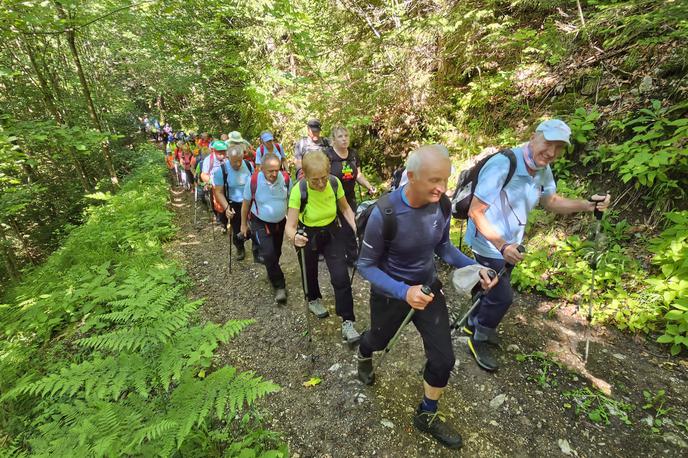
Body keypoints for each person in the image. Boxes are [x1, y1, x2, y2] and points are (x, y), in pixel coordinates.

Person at [356, 144, 497, 450]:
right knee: (378, 341)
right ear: (411, 176)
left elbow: (443, 247)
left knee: (444, 358)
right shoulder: (386, 212)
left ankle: (427, 414)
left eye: (445, 180)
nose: (441, 188)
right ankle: (363, 353)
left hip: (429, 290)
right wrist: (403, 291)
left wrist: (475, 267)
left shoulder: (442, 205)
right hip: (391, 294)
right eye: (434, 180)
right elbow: (365, 264)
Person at [464, 119, 610, 371]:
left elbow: (551, 201)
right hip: (489, 243)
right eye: (548, 143)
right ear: (534, 137)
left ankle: (473, 321)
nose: (552, 152)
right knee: (502, 296)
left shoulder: (542, 169)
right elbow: (475, 212)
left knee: (491, 287)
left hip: (512, 246)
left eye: (559, 148)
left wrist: (588, 205)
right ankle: (479, 337)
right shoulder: (503, 164)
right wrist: (501, 246)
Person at [284, 150, 361, 344]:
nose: (320, 184)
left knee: (340, 276)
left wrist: (355, 227)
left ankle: (348, 321)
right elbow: (290, 226)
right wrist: (294, 238)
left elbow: (345, 208)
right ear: (305, 176)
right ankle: (313, 299)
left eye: (323, 178)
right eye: (315, 180)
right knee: (309, 272)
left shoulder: (334, 183)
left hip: (331, 231)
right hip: (306, 233)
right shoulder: (298, 190)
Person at [240, 153, 291, 304]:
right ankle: (279, 285)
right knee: (268, 254)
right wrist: (243, 224)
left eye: (277, 170)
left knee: (276, 252)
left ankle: (272, 269)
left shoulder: (286, 179)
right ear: (262, 169)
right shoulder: (253, 180)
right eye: (270, 171)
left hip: (280, 223)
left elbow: (292, 201)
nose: (274, 174)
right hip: (260, 222)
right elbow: (245, 205)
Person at [324, 126, 376, 266]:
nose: (344, 139)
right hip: (330, 197)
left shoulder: (353, 154)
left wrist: (368, 186)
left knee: (350, 227)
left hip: (349, 195)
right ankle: (331, 254)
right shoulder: (327, 155)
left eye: (346, 136)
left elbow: (358, 174)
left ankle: (352, 259)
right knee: (331, 227)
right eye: (340, 136)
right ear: (333, 140)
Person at [213, 145, 253, 260]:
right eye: (234, 162)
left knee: (254, 227)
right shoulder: (221, 171)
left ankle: (256, 246)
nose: (238, 164)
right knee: (237, 229)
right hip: (234, 203)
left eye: (240, 161)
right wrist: (226, 208)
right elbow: (219, 192)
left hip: (249, 202)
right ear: (228, 157)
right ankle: (240, 247)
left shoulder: (249, 166)